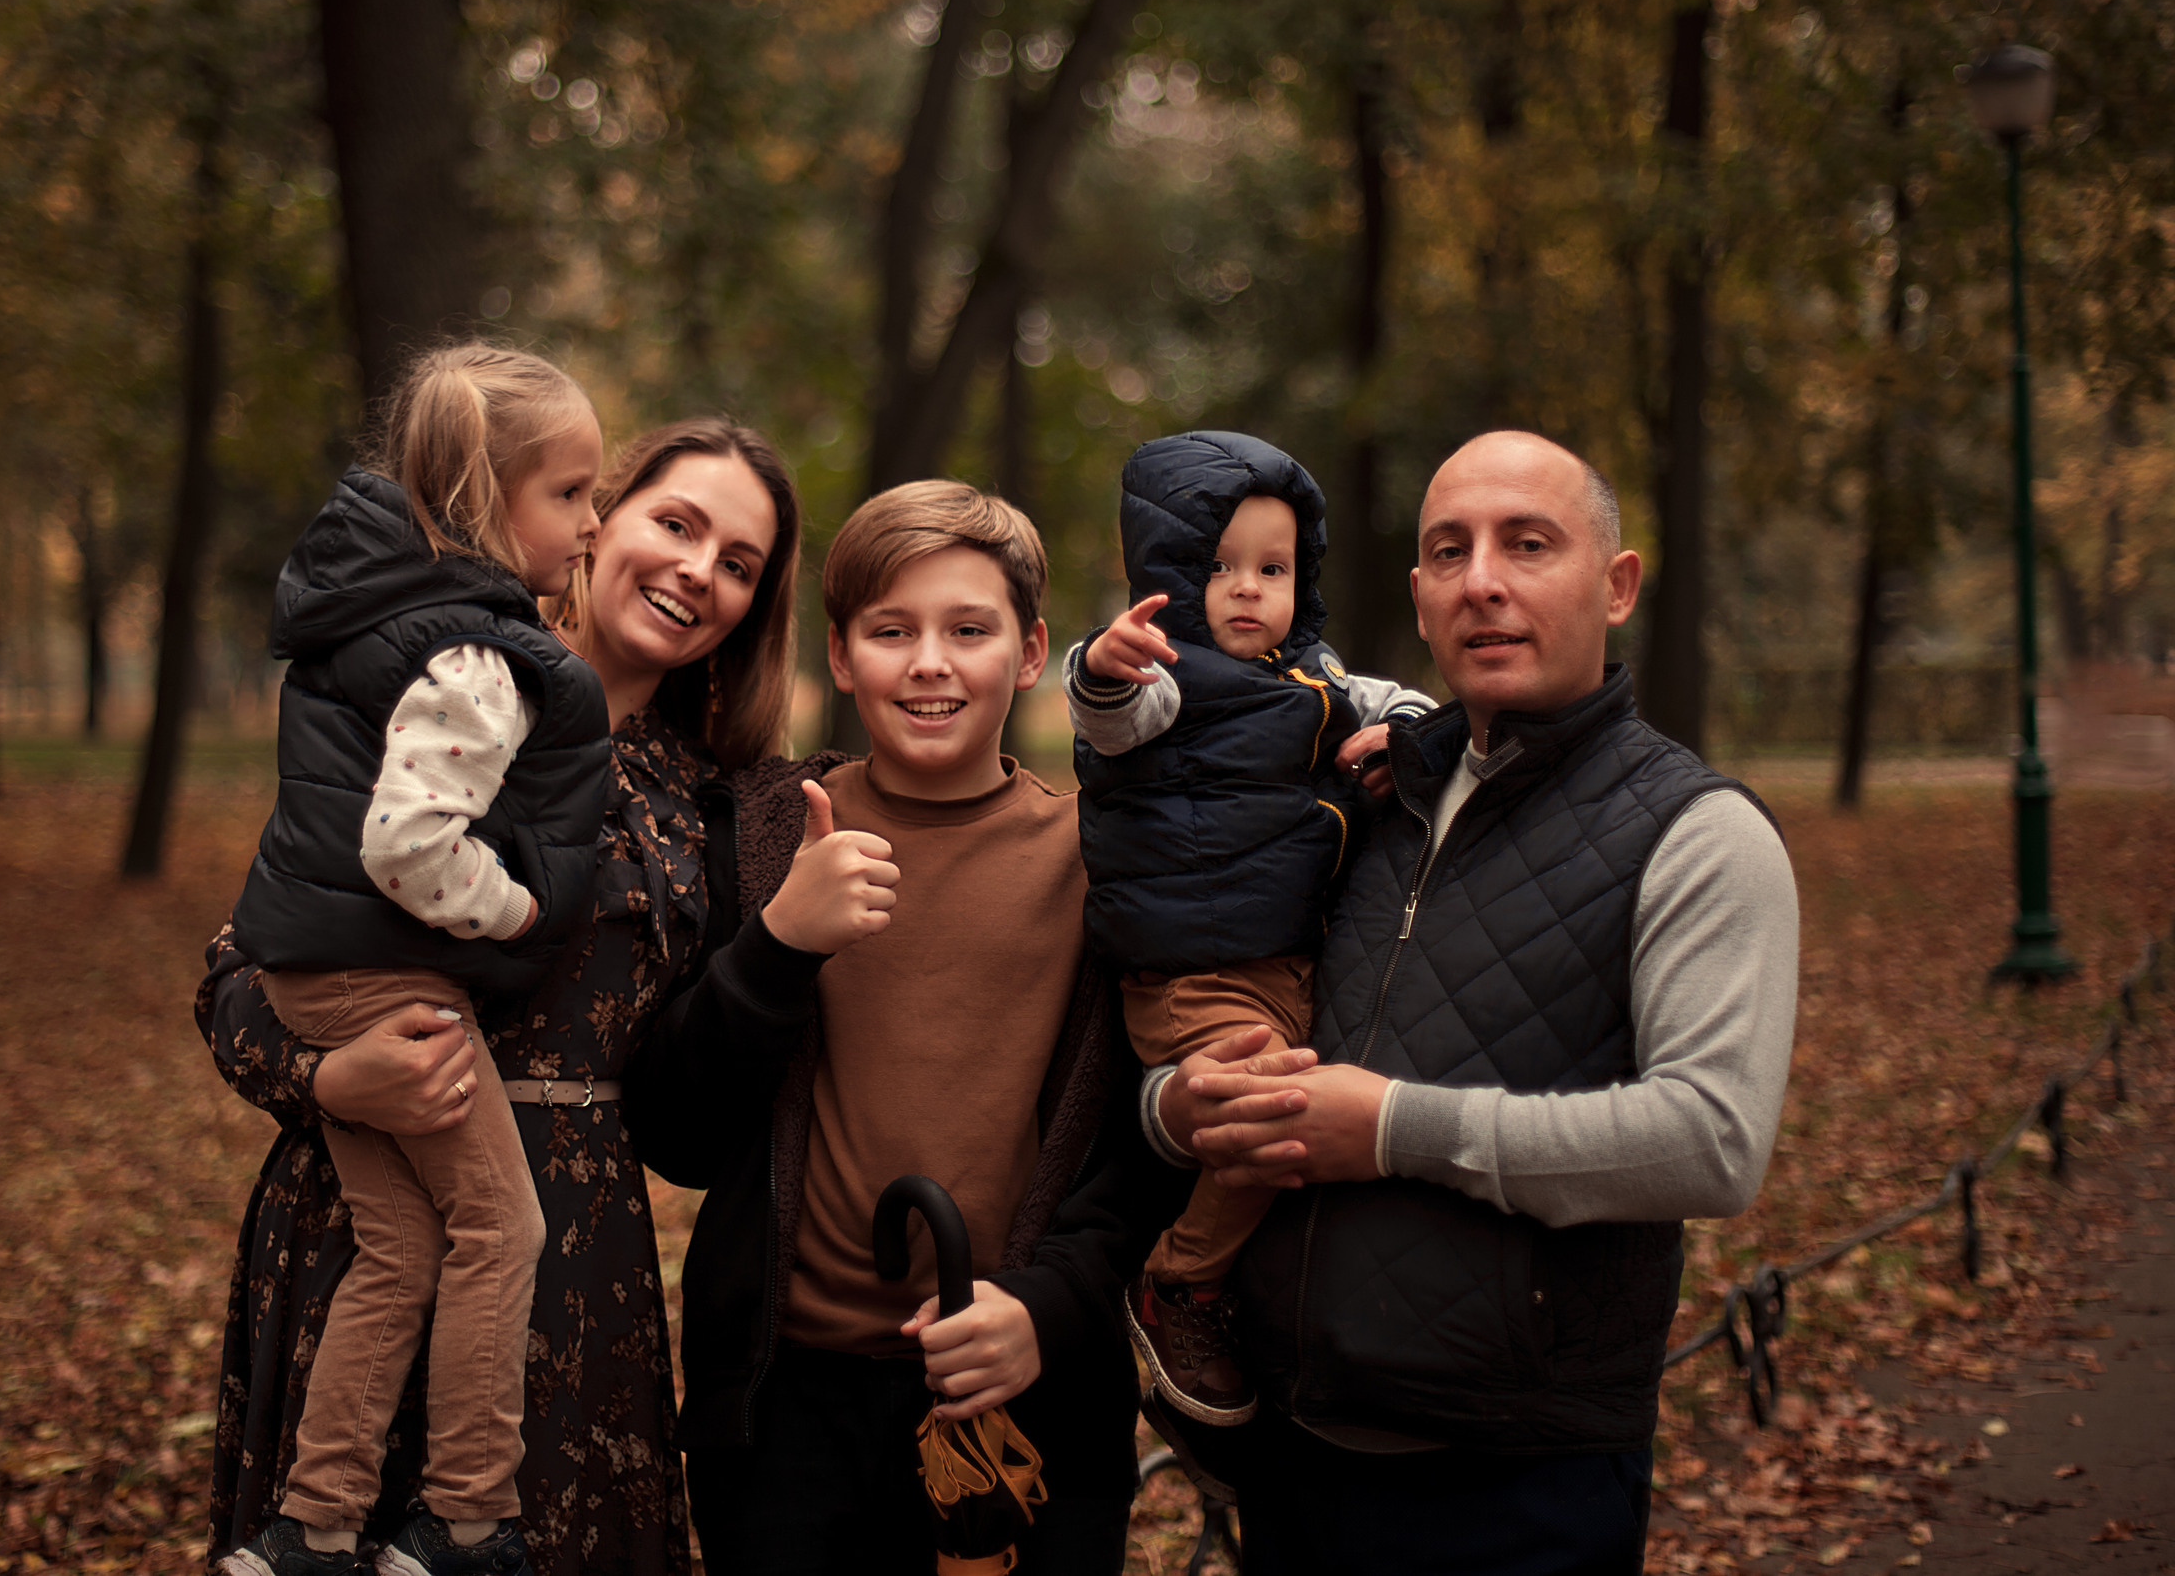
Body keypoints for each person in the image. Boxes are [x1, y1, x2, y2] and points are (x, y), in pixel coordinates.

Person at [1161, 430, 1799, 1574]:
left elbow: (1711, 1142)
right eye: (1448, 552)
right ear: (1417, 599)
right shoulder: (1351, 798)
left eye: (1527, 544)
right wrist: (1178, 1099)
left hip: (1519, 1481)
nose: (1483, 580)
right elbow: (1216, 995)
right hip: (1293, 1458)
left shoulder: (1698, 834)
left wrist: (1395, 1129)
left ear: (1615, 587)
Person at [195, 415, 805, 1576]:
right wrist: (328, 1075)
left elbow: (684, 1107)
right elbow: (246, 965)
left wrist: (778, 949)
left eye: (738, 564)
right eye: (674, 524)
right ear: (596, 518)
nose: (697, 572)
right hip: (364, 1221)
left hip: (578, 1262)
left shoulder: (711, 803)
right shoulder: (453, 689)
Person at [623, 481, 1192, 1576]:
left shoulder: (1101, 860)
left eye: (967, 630)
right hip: (783, 1406)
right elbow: (675, 1132)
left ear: (1029, 653)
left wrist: (1047, 1306)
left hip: (1028, 1401)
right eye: (892, 631)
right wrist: (779, 944)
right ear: (839, 657)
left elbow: (1144, 1148)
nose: (929, 663)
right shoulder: (757, 834)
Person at [217, 346, 609, 1576]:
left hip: (318, 967)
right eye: (573, 493)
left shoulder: (377, 615)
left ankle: (314, 1525)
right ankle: (468, 1518)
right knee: (503, 1230)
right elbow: (406, 842)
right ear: (490, 505)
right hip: (384, 980)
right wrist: (512, 911)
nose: (592, 522)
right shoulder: (476, 656)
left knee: (401, 1246)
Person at [1060, 431, 1432, 1427]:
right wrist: (1105, 666)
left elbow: (1401, 703)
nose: (1245, 590)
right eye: (1216, 568)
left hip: (1285, 960)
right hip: (1190, 974)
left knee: (1289, 1115)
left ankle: (1232, 1285)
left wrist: (1410, 734)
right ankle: (1180, 1279)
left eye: (1272, 569)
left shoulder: (1311, 676)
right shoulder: (1167, 676)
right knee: (1268, 1108)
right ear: (1171, 578)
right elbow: (1109, 721)